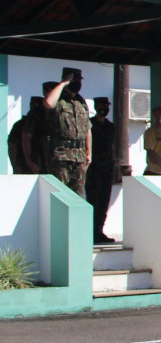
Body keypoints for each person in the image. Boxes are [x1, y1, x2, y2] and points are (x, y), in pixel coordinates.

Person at [42, 69, 92, 197]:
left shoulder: (81, 101)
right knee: (61, 194)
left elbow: (87, 128)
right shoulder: (58, 98)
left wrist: (88, 153)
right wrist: (63, 84)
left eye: (79, 80)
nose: (78, 83)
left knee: (78, 196)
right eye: (74, 79)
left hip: (79, 156)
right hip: (62, 154)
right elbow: (48, 103)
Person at [86, 96, 116, 243]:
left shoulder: (110, 126)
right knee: (93, 201)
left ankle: (99, 230)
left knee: (104, 202)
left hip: (107, 168)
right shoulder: (90, 124)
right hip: (94, 169)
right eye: (102, 106)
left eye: (106, 106)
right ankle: (91, 231)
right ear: (96, 107)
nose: (104, 108)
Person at [7, 96, 45, 174]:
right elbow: (12, 146)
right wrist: (15, 166)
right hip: (24, 167)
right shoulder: (20, 125)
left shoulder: (45, 122)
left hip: (43, 166)